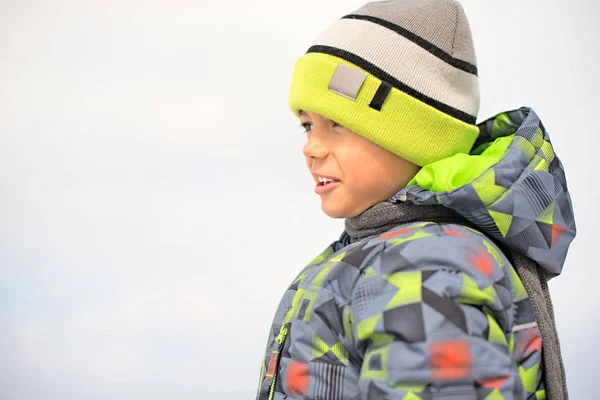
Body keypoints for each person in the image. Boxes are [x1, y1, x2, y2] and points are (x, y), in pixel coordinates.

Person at [255, 1, 576, 399]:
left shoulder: (427, 269)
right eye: (307, 126)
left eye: (338, 124)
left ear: (414, 136)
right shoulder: (386, 254)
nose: (311, 148)